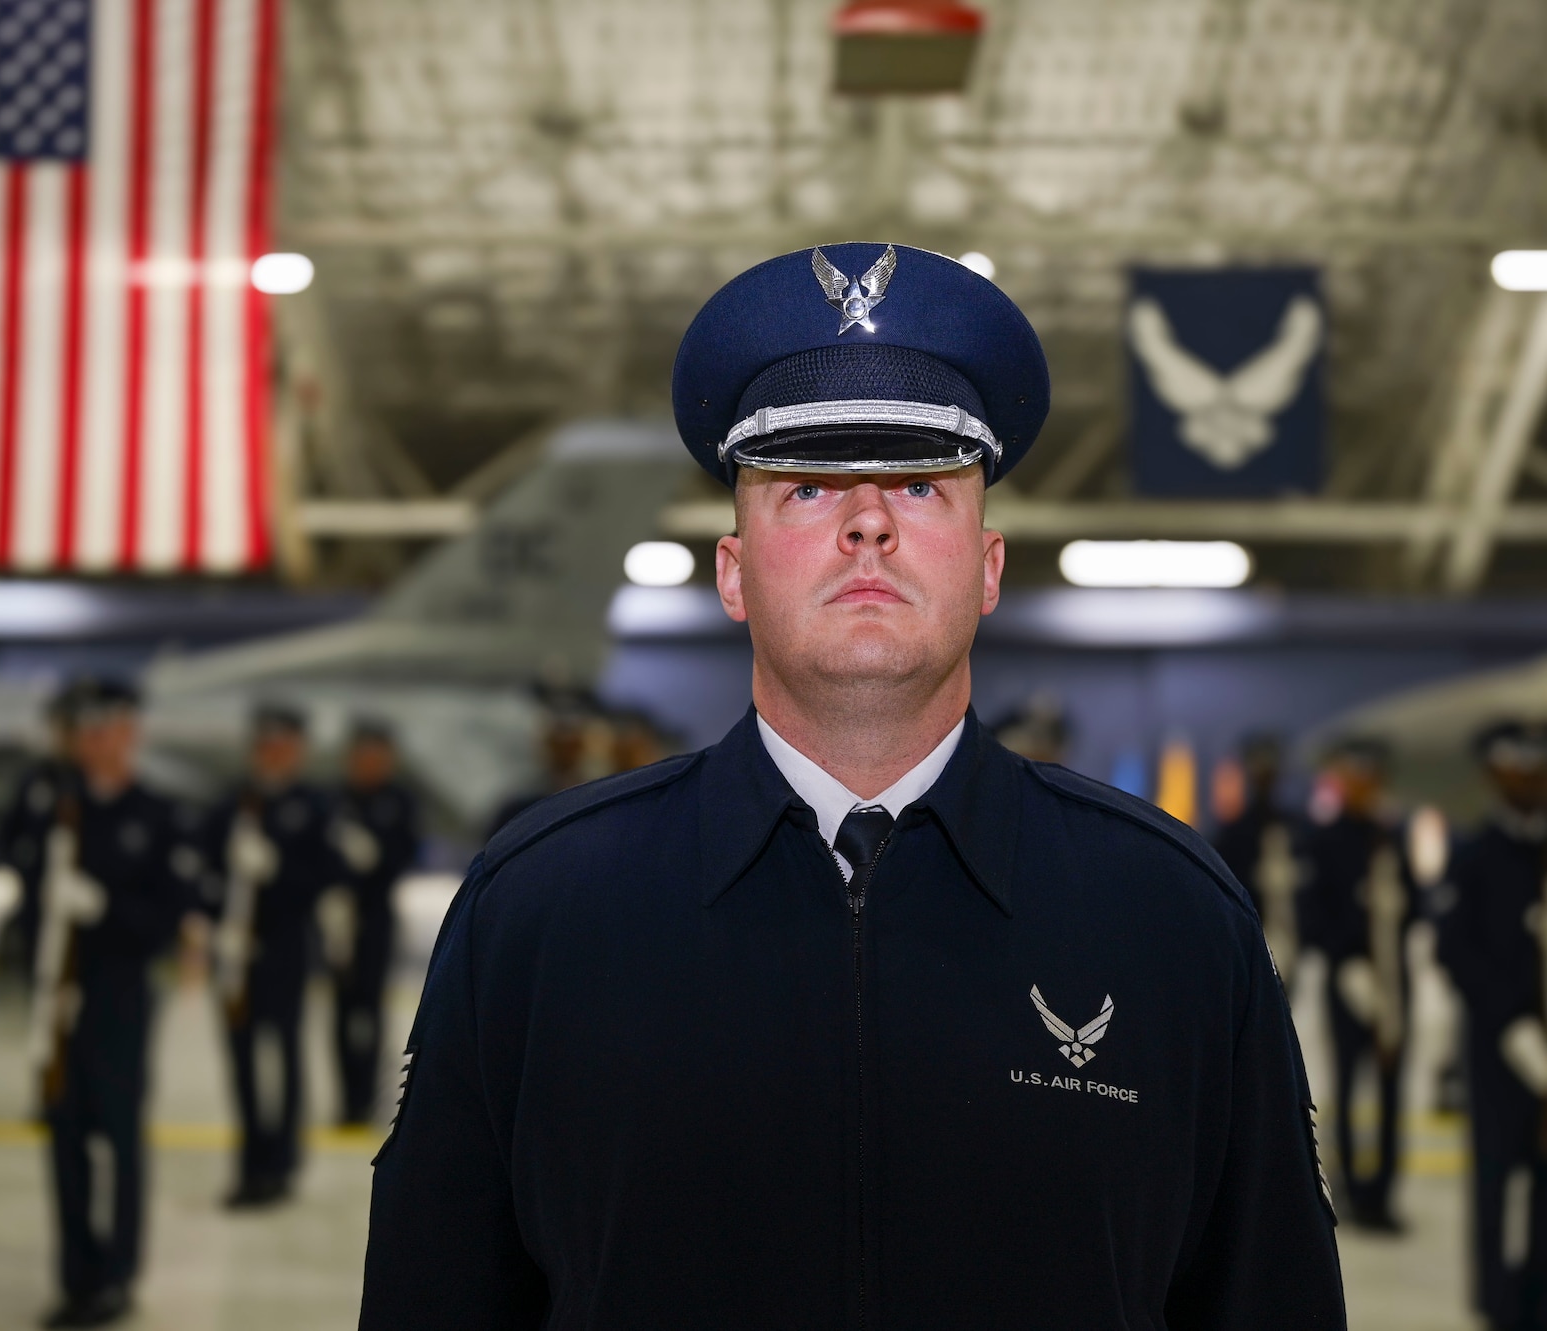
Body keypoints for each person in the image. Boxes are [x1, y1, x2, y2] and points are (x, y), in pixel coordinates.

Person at [361, 243, 1343, 1327]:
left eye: (921, 484)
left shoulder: (1169, 920)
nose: (866, 522)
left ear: (987, 566)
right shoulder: (540, 913)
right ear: (733, 572)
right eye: (809, 485)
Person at [36, 678, 199, 1329]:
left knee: (120, 1137)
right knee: (64, 1137)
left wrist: (105, 909)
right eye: (84, 730)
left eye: (106, 728)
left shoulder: (155, 814)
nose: (93, 741)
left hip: (119, 996)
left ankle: (117, 1277)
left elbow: (166, 917)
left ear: (131, 732)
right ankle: (75, 1275)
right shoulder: (53, 806)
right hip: (56, 997)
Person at [202, 704, 341, 1207]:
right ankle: (250, 1163)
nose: (272, 754)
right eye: (264, 745)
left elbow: (326, 875)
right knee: (240, 1059)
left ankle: (282, 1163)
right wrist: (216, 918)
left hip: (285, 946)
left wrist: (277, 870)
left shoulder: (315, 806)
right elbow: (202, 870)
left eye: (282, 745)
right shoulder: (232, 805)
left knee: (283, 1055)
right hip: (235, 951)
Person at [1438, 720, 1547, 1330]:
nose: (1529, 777)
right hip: (1497, 1045)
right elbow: (1455, 950)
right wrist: (1512, 1023)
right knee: (1496, 1176)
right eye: (1516, 766)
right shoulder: (1475, 853)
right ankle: (1499, 1306)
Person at [1301, 735, 1413, 1234]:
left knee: (1392, 1085)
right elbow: (1313, 912)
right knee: (1347, 1084)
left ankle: (1382, 1192)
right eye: (1355, 774)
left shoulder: (1391, 837)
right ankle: (1345, 1187)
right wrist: (1345, 960)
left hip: (1390, 978)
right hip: (1346, 978)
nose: (1364, 783)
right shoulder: (1323, 839)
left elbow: (1414, 903)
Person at [328, 719, 421, 1126]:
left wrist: (378, 857)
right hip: (339, 915)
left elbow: (406, 852)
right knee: (340, 1009)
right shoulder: (336, 799)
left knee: (372, 1008)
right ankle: (347, 1098)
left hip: (377, 914)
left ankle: (370, 1096)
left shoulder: (398, 801)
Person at [0, 683, 79, 978]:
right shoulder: (36, 780)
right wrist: (20, 870)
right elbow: (6, 834)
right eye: (61, 726)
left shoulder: (95, 783)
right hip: (38, 904)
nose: (66, 736)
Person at [1213, 732, 1303, 976]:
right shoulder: (1232, 836)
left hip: (1299, 943)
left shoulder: (1298, 828)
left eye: (1269, 769)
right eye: (1258, 768)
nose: (1264, 776)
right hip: (1254, 943)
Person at [486, 700, 591, 836]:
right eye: (556, 742)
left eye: (571, 743)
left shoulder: (597, 801)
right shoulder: (519, 807)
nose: (564, 750)